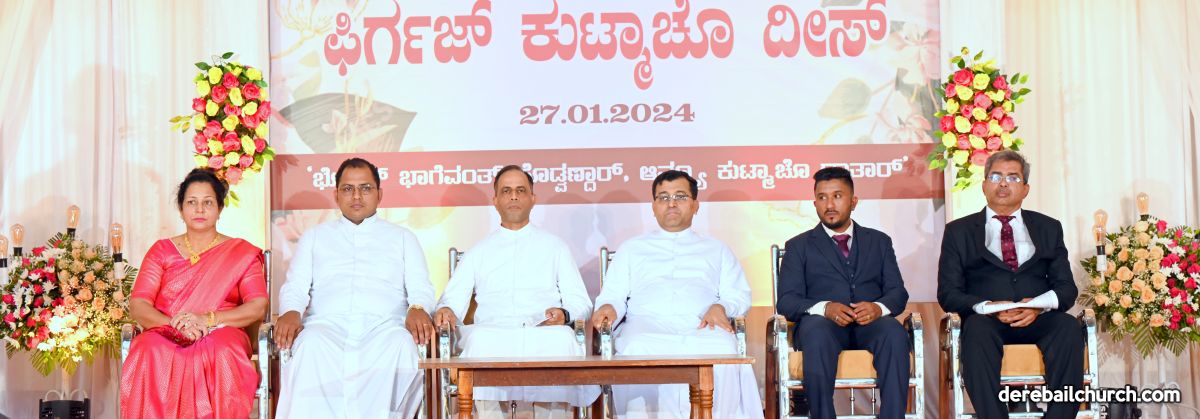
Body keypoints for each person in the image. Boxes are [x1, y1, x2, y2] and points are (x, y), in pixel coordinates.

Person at [591, 170, 764, 419]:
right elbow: (613, 295)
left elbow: (738, 294)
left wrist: (722, 307)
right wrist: (609, 307)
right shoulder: (631, 249)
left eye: (680, 196)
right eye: (663, 197)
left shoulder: (717, 249)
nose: (671, 203)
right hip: (646, 325)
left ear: (695, 205)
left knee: (723, 346)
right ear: (653, 207)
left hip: (702, 325)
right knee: (635, 346)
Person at [275, 157, 437, 419]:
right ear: (336, 195)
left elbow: (421, 286)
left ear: (379, 194)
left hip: (385, 328)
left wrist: (418, 307)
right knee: (309, 345)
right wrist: (291, 310)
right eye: (348, 188)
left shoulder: (403, 237)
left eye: (365, 188)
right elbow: (296, 285)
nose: (357, 196)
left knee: (401, 346)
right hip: (326, 327)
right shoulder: (315, 237)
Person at [434, 165, 599, 418]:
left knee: (562, 341)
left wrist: (564, 314)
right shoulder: (479, 251)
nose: (513, 196)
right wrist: (446, 310)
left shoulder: (555, 247)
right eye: (506, 191)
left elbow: (581, 302)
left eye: (520, 190)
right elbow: (452, 301)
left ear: (532, 199)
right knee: (480, 342)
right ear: (495, 200)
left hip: (544, 331)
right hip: (493, 332)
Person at [937, 150, 1082, 419]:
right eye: (996, 177)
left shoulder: (1049, 227)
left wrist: (1038, 306)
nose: (1003, 183)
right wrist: (988, 307)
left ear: (1025, 189)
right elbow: (948, 293)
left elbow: (1066, 289)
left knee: (1068, 327)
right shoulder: (959, 231)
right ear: (984, 186)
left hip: (1037, 317)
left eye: (1013, 178)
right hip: (987, 320)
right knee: (975, 329)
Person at [121, 168, 268, 419]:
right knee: (147, 348)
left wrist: (208, 320)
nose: (199, 209)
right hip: (167, 329)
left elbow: (257, 306)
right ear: (181, 209)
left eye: (208, 202)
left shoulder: (240, 252)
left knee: (223, 350)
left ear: (220, 208)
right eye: (192, 202)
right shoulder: (161, 251)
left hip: (222, 330)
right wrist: (175, 324)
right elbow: (139, 304)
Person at [775, 167, 910, 419]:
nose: (829, 205)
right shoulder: (798, 246)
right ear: (814, 203)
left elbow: (897, 293)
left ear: (853, 201)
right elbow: (787, 301)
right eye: (822, 197)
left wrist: (878, 308)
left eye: (837, 196)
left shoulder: (879, 242)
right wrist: (825, 308)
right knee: (815, 331)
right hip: (823, 326)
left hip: (870, 325)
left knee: (893, 332)